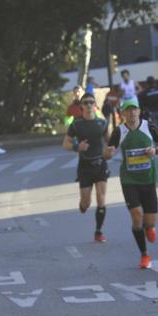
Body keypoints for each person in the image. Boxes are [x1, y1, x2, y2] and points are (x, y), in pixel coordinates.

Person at [108, 98, 158, 269]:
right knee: (136, 215)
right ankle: (144, 255)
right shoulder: (119, 132)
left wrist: (155, 150)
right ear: (123, 113)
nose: (132, 112)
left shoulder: (149, 127)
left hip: (148, 179)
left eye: (135, 109)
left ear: (139, 111)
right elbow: (107, 152)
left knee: (149, 221)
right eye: (128, 110)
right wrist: (108, 152)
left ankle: (149, 228)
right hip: (129, 180)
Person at [63, 92, 112, 242]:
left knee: (101, 198)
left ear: (95, 106)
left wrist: (111, 148)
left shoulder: (102, 123)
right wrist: (78, 146)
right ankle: (83, 205)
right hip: (84, 166)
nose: (89, 105)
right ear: (81, 106)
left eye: (91, 102)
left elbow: (110, 141)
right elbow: (65, 144)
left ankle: (98, 231)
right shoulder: (76, 124)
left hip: (100, 164)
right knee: (86, 203)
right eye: (86, 103)